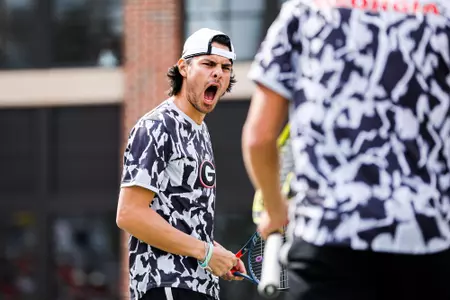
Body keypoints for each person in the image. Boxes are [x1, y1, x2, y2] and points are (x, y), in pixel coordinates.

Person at [242, 1, 450, 300]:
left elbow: (259, 138)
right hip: (426, 243)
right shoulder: (441, 13)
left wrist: (275, 211)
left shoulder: (305, 11)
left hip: (327, 243)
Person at [116, 28, 246, 300]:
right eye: (208, 64)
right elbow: (129, 213)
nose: (218, 73)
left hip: (199, 286)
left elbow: (182, 220)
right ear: (183, 68)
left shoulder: (201, 130)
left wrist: (218, 255)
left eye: (225, 67)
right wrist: (206, 252)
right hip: (164, 284)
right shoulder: (157, 126)